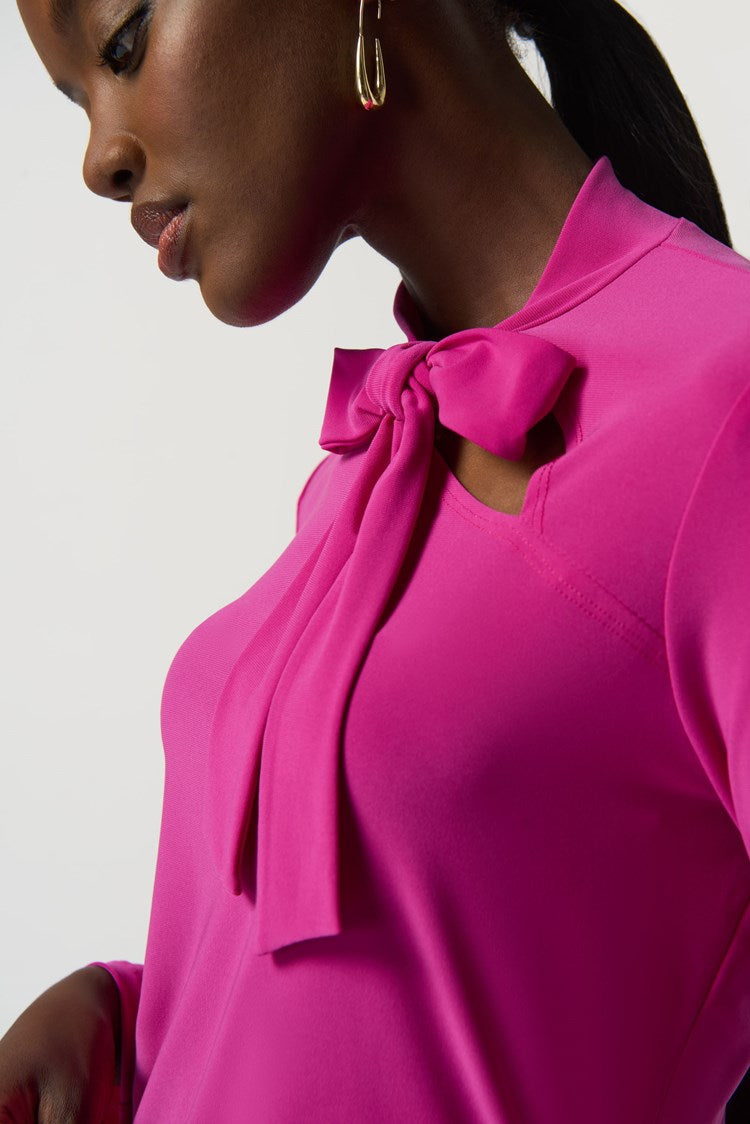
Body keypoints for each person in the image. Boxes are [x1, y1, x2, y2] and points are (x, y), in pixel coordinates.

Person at [3, 0, 750, 1120]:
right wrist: (121, 1022)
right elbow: (396, 1001)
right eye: (76, 100)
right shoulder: (371, 465)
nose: (101, 159)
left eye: (123, 43)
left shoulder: (724, 398)